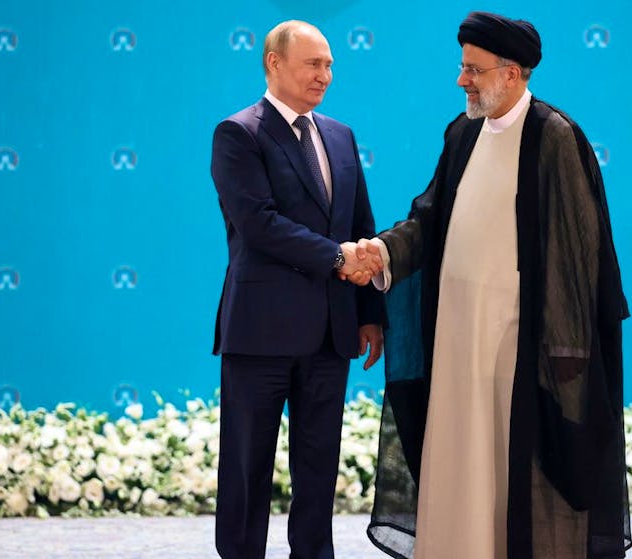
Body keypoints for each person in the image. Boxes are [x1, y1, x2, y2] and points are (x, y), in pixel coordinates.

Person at [359, 11, 632, 559]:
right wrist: (383, 251)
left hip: (518, 344)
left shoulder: (555, 136)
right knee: (458, 461)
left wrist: (565, 357)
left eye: (474, 70)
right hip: (457, 336)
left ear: (513, 74)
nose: (462, 80)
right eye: (462, 67)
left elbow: (579, 253)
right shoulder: (461, 133)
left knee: (516, 472)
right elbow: (429, 219)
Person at [210, 20, 386, 559]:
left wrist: (370, 311)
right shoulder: (238, 133)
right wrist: (338, 258)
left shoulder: (339, 135)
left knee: (318, 469)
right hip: (260, 333)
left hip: (330, 334)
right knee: (247, 471)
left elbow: (361, 222)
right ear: (274, 63)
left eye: (329, 65)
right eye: (314, 64)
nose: (325, 75)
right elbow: (259, 224)